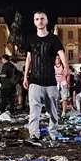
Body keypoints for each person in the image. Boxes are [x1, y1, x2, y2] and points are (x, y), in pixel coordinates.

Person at [23, 11, 68, 141]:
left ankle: (53, 133)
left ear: (47, 21)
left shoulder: (54, 39)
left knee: (53, 110)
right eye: (37, 19)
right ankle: (34, 134)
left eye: (42, 19)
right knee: (34, 110)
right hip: (35, 80)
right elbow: (29, 58)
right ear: (34, 22)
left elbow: (61, 53)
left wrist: (66, 67)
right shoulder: (31, 39)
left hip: (50, 81)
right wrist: (26, 76)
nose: (40, 21)